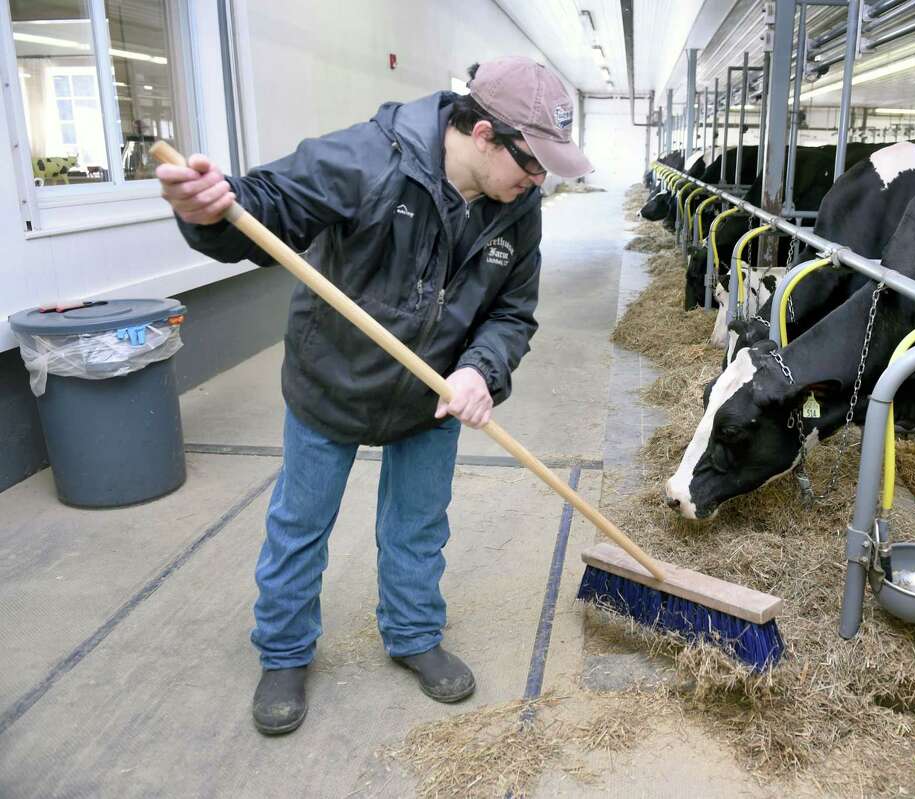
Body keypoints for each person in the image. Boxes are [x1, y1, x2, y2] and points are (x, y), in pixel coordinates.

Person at [156, 57, 592, 735]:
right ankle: (284, 651)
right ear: (483, 133)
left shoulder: (519, 208)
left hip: (433, 392)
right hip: (333, 377)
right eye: (532, 164)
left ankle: (414, 634)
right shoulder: (369, 158)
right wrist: (206, 213)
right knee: (301, 524)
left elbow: (513, 311)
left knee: (418, 526)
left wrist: (482, 369)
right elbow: (260, 206)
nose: (538, 181)